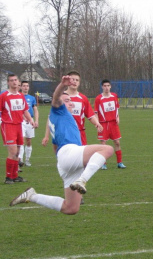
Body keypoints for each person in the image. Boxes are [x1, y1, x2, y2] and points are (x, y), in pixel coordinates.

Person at [9, 75, 114, 214]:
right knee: (107, 149)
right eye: (67, 101)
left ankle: (32, 196)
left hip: (65, 160)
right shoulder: (60, 110)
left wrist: (62, 161)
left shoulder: (59, 119)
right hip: (69, 153)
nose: (71, 103)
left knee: (70, 208)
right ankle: (82, 180)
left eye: (71, 101)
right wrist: (62, 85)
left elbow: (54, 146)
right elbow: (56, 97)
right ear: (60, 103)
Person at [0, 74, 36, 184]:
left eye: (15, 80)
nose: (14, 82)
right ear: (8, 83)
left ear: (18, 82)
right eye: (11, 80)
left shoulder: (20, 96)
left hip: (19, 125)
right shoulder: (4, 96)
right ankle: (8, 177)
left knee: (18, 151)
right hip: (8, 125)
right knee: (13, 152)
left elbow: (25, 110)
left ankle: (15, 176)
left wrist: (31, 120)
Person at [94, 79, 126, 169]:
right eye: (105, 86)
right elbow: (95, 112)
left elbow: (116, 108)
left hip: (113, 123)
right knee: (103, 144)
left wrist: (118, 117)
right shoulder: (98, 98)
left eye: (108, 86)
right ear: (102, 87)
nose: (106, 88)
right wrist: (97, 124)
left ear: (110, 86)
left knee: (117, 142)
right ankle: (103, 163)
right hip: (103, 124)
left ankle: (119, 162)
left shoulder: (114, 96)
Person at [18, 81, 39, 167]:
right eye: (24, 86)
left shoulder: (32, 98)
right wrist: (24, 117)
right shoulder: (18, 96)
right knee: (21, 140)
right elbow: (19, 109)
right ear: (21, 87)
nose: (25, 87)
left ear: (28, 87)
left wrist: (36, 120)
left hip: (31, 121)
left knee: (29, 141)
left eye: (27, 86)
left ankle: (27, 159)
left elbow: (35, 109)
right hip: (21, 121)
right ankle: (20, 160)